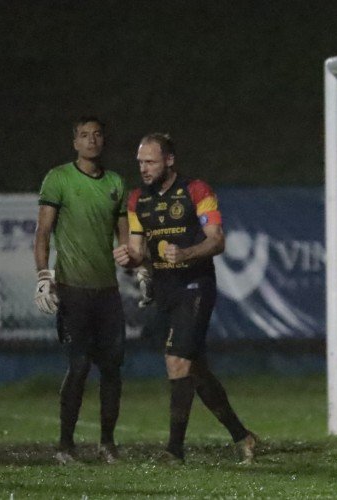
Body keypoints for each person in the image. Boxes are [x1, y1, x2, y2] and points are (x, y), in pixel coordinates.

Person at [113, 133, 257, 464]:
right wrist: (129, 257)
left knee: (176, 360)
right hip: (165, 289)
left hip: (195, 285)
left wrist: (188, 252)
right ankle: (242, 436)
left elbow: (217, 241)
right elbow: (137, 248)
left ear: (169, 161)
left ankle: (174, 450)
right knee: (194, 371)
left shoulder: (196, 191)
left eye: (150, 162)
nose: (144, 169)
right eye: (140, 163)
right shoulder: (137, 199)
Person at [33, 116, 128, 465]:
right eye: (84, 136)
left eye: (97, 135)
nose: (91, 141)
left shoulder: (116, 182)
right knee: (78, 367)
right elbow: (43, 232)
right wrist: (44, 275)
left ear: (104, 141)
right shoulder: (58, 178)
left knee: (113, 369)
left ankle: (107, 443)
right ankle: (65, 445)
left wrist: (136, 261)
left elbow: (126, 237)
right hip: (73, 289)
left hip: (108, 291)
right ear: (75, 142)